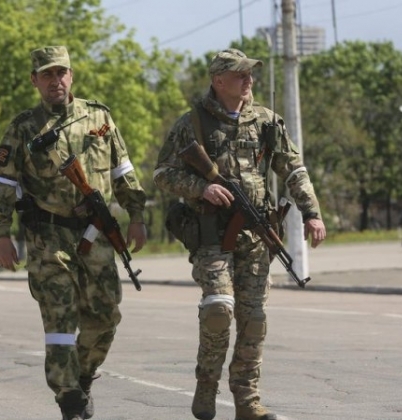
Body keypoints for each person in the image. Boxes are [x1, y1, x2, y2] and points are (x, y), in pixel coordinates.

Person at [153, 48, 326, 420]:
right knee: (219, 309)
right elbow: (162, 174)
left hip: (256, 236)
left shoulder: (266, 121)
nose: (249, 79)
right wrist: (202, 188)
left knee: (254, 320)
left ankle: (247, 401)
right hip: (210, 235)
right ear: (218, 81)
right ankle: (206, 385)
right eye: (240, 74)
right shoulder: (192, 123)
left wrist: (312, 213)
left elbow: (294, 170)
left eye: (250, 73)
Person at [0, 46, 147, 420]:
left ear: (71, 76)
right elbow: (2, 182)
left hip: (96, 235)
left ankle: (83, 376)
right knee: (59, 321)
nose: (55, 80)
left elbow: (122, 172)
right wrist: (0, 233)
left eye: (61, 72)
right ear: (35, 81)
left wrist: (137, 215)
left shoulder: (99, 117)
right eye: (47, 74)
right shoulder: (24, 127)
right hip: (48, 238)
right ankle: (69, 398)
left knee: (105, 317)